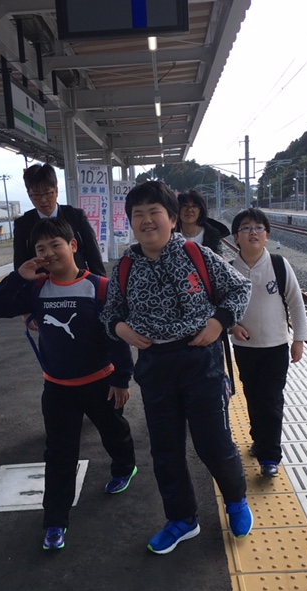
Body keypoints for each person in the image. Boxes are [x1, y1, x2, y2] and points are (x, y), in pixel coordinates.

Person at [100, 181, 253, 555]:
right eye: (138, 214)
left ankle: (236, 499)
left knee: (213, 443)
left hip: (201, 362)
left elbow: (239, 289)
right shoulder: (125, 266)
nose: (146, 220)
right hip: (155, 366)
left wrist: (218, 322)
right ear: (130, 222)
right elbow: (109, 313)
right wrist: (121, 329)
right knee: (165, 451)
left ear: (171, 219)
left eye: (154, 212)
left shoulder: (196, 254)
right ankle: (182, 520)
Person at [0, 217, 137, 551]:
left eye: (55, 245)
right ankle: (55, 521)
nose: (48, 253)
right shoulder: (36, 288)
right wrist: (18, 276)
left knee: (114, 432)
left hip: (100, 383)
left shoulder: (99, 287)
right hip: (57, 389)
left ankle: (125, 467)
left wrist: (121, 379)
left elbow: (117, 337)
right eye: (41, 248)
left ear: (73, 246)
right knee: (59, 454)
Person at [230, 208, 307, 478]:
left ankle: (270, 456)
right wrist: (233, 326)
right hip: (245, 349)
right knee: (253, 397)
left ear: (267, 235)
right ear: (236, 237)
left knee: (271, 400)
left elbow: (296, 303)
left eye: (258, 228)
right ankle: (259, 440)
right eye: (245, 228)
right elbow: (221, 307)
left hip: (276, 347)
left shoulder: (278, 264)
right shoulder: (230, 269)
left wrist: (299, 339)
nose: (252, 232)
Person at [14, 162, 106, 276]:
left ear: (56, 191)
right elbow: (20, 263)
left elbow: (93, 254)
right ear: (29, 195)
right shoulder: (23, 224)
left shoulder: (76, 216)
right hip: (41, 283)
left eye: (48, 193)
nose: (43, 200)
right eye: (36, 195)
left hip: (77, 280)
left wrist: (101, 283)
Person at [177, 188, 230, 256]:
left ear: (201, 211)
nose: (189, 210)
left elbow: (217, 260)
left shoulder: (212, 235)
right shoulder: (170, 234)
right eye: (185, 206)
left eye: (194, 206)